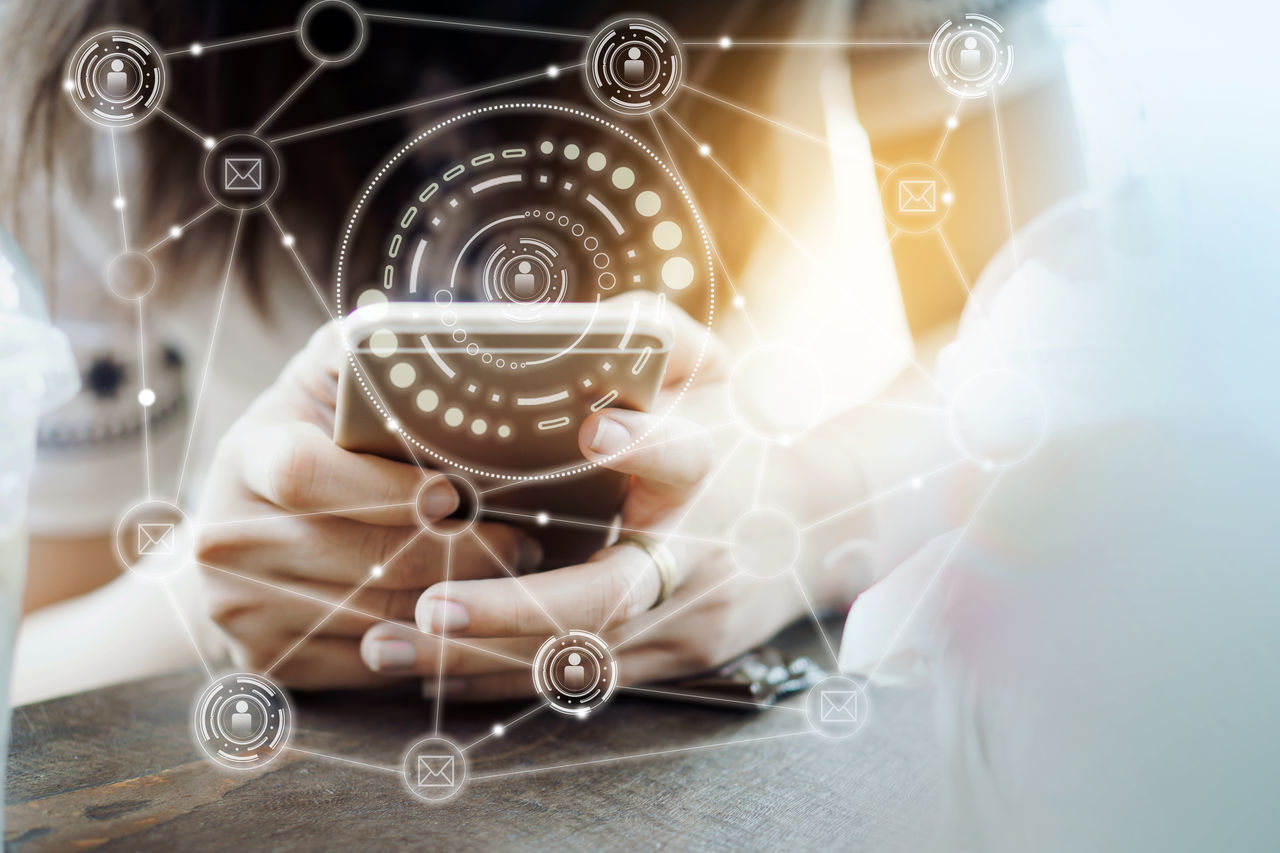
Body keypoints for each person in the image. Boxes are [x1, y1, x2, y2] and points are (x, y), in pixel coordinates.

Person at [0, 0, 1073, 705]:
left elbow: (1056, 346)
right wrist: (215, 589)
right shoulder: (79, 55)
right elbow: (39, 651)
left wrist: (801, 507)